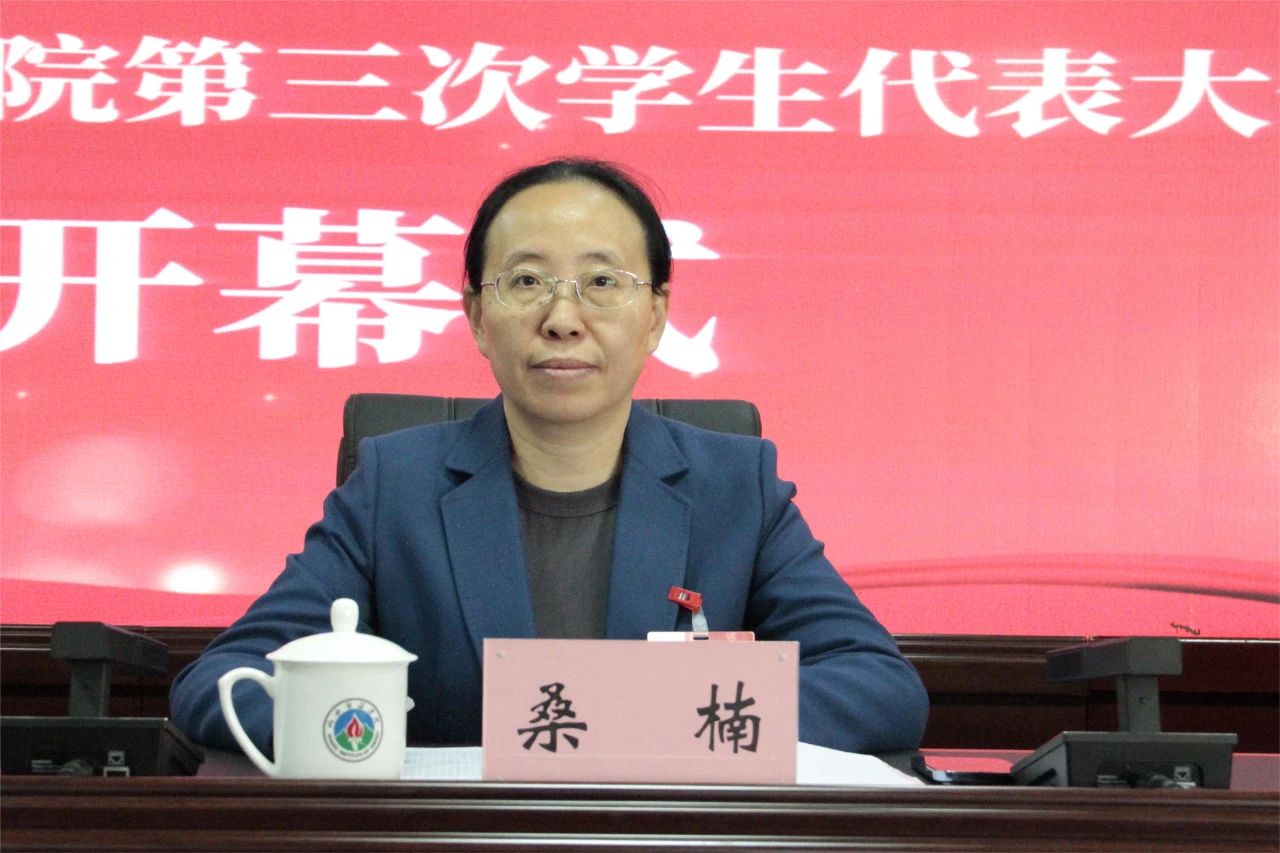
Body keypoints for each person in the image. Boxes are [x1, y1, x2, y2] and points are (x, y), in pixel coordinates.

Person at [170, 158, 928, 755]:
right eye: (527, 281)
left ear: (656, 313)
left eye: (602, 282)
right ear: (476, 314)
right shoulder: (393, 487)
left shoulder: (738, 489)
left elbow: (879, 688)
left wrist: (639, 718)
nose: (563, 318)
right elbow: (220, 683)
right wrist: (362, 732)